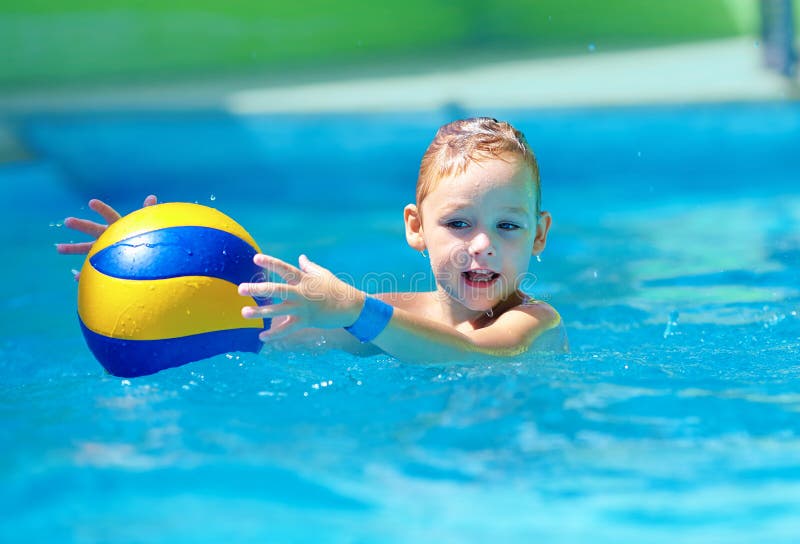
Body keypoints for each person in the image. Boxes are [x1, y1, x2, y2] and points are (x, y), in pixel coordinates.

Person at [57, 118, 567, 364]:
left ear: (538, 234)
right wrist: (146, 263)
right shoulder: (392, 311)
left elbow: (474, 355)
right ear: (415, 228)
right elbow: (262, 330)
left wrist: (353, 307)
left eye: (507, 226)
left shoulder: (534, 322)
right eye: (459, 223)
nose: (482, 245)